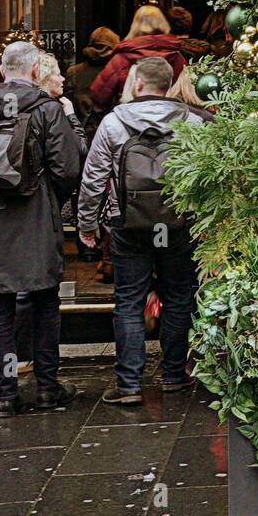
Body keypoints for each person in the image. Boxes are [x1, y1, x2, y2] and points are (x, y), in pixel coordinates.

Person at [0, 41, 83, 414]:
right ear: (33, 71)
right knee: (45, 304)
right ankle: (47, 387)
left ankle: (8, 393)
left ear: (2, 71)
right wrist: (49, 201)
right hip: (36, 218)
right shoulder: (45, 109)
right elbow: (67, 170)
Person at [77, 56, 211, 405]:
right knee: (179, 296)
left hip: (128, 224)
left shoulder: (113, 123)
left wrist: (88, 224)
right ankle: (172, 375)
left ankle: (129, 384)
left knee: (129, 302)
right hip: (179, 223)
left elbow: (93, 179)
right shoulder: (192, 122)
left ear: (137, 84)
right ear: (169, 85)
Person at [90, 5, 186, 114]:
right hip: (170, 120)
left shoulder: (122, 59)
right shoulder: (177, 57)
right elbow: (186, 92)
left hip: (129, 121)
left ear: (135, 25)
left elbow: (99, 94)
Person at [66, 26, 120, 139]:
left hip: (82, 133)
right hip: (111, 134)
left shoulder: (74, 71)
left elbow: (69, 106)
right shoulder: (117, 71)